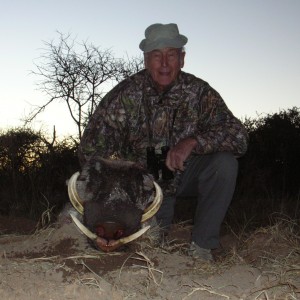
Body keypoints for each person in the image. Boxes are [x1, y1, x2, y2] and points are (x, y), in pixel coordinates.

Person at [78, 23, 249, 261]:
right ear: (146, 61)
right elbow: (90, 148)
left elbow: (239, 136)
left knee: (225, 164)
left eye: (172, 55)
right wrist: (126, 173)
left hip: (185, 173)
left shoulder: (199, 92)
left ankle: (202, 246)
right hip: (140, 186)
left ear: (182, 59)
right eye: (157, 56)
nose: (165, 63)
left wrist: (194, 142)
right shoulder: (125, 94)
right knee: (147, 245)